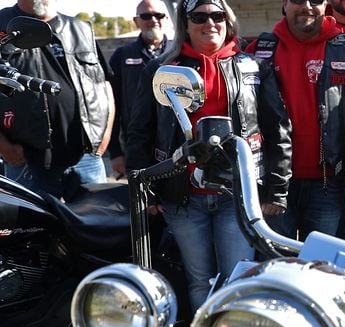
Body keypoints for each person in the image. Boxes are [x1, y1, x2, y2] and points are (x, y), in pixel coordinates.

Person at [126, 0, 290, 309]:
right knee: (200, 279)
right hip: (183, 195)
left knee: (238, 277)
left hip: (237, 194)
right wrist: (145, 192)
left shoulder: (253, 66)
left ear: (228, 21)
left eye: (217, 15)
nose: (209, 23)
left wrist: (276, 190)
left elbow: (278, 128)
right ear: (184, 24)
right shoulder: (161, 69)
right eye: (199, 17)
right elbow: (139, 131)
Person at [248, 0, 345, 240]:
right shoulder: (259, 50)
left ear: (326, 5)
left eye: (315, 0)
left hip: (327, 184)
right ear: (284, 4)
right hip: (273, 183)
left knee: (322, 266)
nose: (307, 6)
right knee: (278, 264)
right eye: (297, 0)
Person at [0, 0, 114, 199]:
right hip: (25, 159)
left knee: (95, 226)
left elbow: (103, 84)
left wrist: (104, 135)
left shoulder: (81, 29)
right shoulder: (3, 26)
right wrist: (2, 145)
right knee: (31, 228)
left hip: (86, 157)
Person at [108, 0, 172, 178]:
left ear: (166, 18)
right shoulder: (122, 56)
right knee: (142, 203)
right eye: (146, 16)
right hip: (138, 148)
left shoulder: (179, 52)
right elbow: (113, 106)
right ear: (136, 21)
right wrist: (115, 153)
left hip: (174, 146)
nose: (153, 20)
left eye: (158, 15)